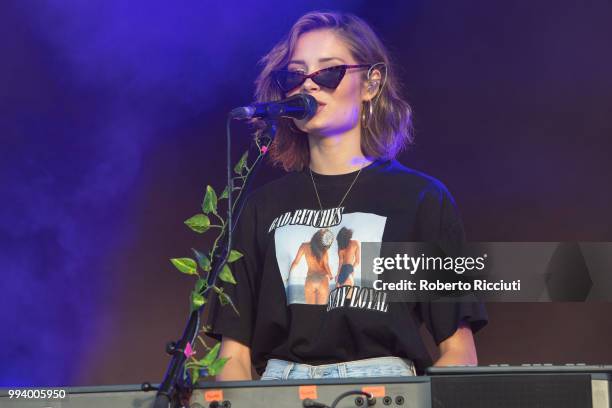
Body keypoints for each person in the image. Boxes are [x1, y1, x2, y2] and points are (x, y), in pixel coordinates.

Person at [205, 10, 487, 381]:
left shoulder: (422, 200)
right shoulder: (259, 208)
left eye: (328, 72)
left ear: (371, 83)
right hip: (280, 390)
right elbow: (234, 358)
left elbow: (459, 352)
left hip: (384, 387)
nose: (309, 86)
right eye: (296, 75)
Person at [286, 229, 334, 305]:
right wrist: (331, 276)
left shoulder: (304, 246)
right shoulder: (324, 249)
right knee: (321, 311)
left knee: (310, 311)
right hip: (322, 279)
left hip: (310, 279)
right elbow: (326, 265)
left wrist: (289, 275)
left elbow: (295, 262)